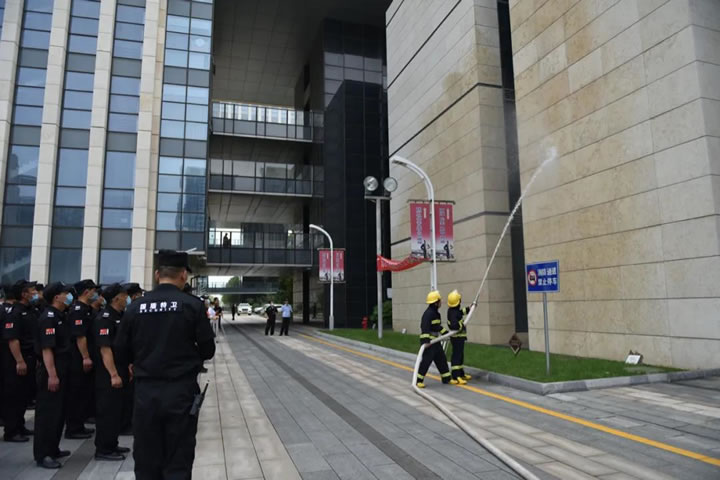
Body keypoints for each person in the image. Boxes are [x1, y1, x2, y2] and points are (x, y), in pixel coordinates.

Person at [115, 250, 215, 479]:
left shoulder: (135, 307)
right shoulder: (192, 305)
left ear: (157, 274)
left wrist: (137, 361)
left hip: (145, 391)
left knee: (146, 457)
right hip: (181, 392)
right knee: (178, 458)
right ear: (183, 275)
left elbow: (120, 350)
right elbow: (208, 350)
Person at [33, 282, 74, 469]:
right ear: (57, 297)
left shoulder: (60, 315)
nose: (68, 296)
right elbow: (47, 349)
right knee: (48, 415)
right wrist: (52, 375)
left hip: (63, 368)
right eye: (65, 293)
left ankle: (53, 448)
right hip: (52, 370)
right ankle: (44, 454)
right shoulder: (48, 318)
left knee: (58, 413)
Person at [93, 284, 131, 461]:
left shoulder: (119, 316)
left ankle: (112, 443)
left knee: (116, 410)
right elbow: (105, 349)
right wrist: (113, 374)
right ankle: (104, 449)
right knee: (107, 411)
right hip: (108, 372)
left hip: (121, 368)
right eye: (124, 296)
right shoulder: (104, 318)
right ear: (116, 298)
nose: (126, 299)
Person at [2, 280, 39, 442]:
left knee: (24, 394)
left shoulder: (28, 311)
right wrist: (19, 361)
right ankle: (11, 431)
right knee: (14, 396)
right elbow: (13, 339)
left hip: (30, 357)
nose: (34, 293)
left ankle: (20, 425)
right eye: (32, 290)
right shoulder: (14, 312)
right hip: (17, 360)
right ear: (23, 294)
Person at [65, 279, 98, 440]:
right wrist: (85, 357)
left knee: (83, 393)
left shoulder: (86, 309)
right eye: (93, 291)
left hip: (85, 356)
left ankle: (79, 424)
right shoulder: (78, 310)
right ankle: (73, 427)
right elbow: (80, 336)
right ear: (86, 292)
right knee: (76, 393)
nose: (95, 294)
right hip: (78, 358)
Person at [416, 290, 455, 388]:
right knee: (426, 362)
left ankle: (446, 378)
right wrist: (426, 342)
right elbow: (424, 327)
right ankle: (418, 381)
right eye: (439, 301)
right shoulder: (428, 314)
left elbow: (437, 326)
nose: (441, 302)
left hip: (435, 342)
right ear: (436, 302)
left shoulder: (435, 313)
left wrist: (446, 333)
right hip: (429, 343)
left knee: (442, 360)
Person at [120, 282, 143, 435]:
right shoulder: (129, 312)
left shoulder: (130, 312)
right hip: (125, 361)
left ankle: (128, 422)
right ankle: (124, 425)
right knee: (125, 396)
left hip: (132, 360)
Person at [447, 290, 473, 385]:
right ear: (457, 302)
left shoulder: (454, 311)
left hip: (459, 338)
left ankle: (461, 373)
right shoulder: (452, 313)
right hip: (456, 338)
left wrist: (469, 308)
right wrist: (462, 325)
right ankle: (456, 376)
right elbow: (454, 325)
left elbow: (460, 313)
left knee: (460, 356)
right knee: (456, 356)